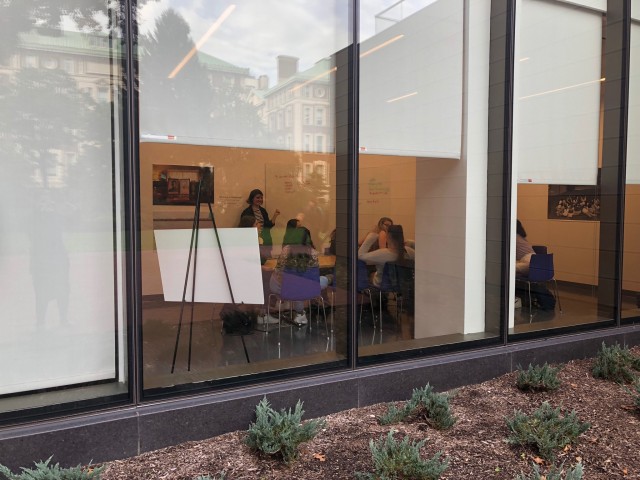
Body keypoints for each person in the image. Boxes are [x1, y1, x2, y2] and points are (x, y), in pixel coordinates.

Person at [269, 223, 330, 325]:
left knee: (294, 282)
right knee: (323, 279)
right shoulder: (313, 253)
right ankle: (303, 313)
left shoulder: (286, 250)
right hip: (308, 290)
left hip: (285, 289)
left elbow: (278, 270)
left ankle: (300, 314)